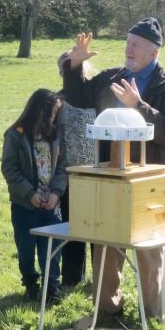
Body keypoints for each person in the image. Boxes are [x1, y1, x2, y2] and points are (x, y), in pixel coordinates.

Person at [60, 17, 165, 323]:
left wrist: (138, 105)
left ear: (154, 52)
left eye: (136, 45)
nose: (129, 49)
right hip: (110, 175)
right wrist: (74, 64)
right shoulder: (111, 77)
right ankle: (107, 310)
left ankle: (151, 314)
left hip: (150, 179)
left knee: (148, 246)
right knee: (105, 239)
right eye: (128, 43)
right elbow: (78, 96)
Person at [1, 88, 67, 301]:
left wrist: (56, 193)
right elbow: (10, 169)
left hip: (51, 204)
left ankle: (52, 286)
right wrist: (30, 194)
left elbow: (62, 168)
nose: (54, 118)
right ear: (39, 112)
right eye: (52, 113)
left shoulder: (56, 137)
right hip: (25, 205)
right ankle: (30, 284)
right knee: (26, 249)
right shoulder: (15, 135)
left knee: (52, 248)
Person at [56, 53, 96, 289]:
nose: (65, 72)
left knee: (99, 227)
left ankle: (101, 279)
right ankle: (72, 279)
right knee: (72, 225)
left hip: (98, 172)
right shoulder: (56, 99)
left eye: (69, 67)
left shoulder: (96, 93)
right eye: (62, 69)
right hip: (68, 173)